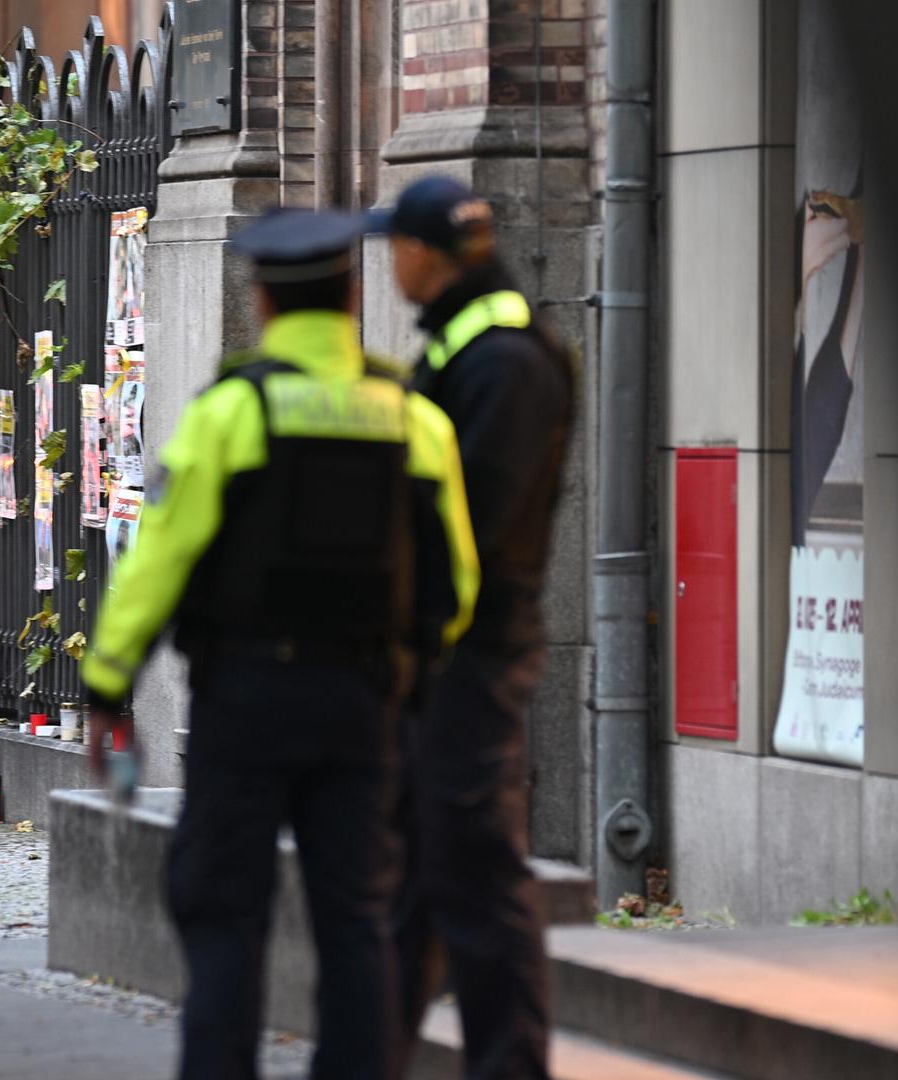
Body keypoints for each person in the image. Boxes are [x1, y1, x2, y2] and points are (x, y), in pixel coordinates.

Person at [81, 207, 479, 1080]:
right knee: (358, 920)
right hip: (363, 707)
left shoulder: (233, 413)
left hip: (247, 702)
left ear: (263, 301)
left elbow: (161, 558)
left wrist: (108, 683)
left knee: (226, 914)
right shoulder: (411, 416)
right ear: (348, 295)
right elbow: (456, 586)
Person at [367, 175, 574, 1080]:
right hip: (438, 657)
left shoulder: (502, 361)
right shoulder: (472, 348)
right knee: (411, 880)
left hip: (471, 656)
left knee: (478, 877)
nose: (390, 264)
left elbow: (471, 527)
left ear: (426, 255)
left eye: (396, 247)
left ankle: (510, 1066)